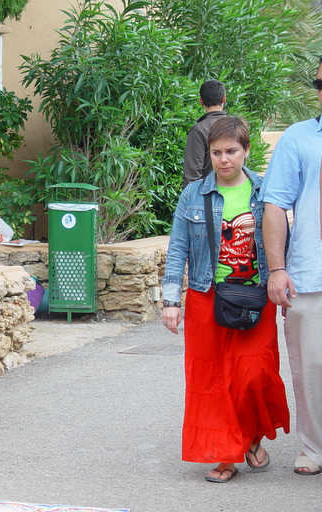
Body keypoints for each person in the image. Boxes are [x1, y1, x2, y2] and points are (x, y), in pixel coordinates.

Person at [162, 117, 290, 483]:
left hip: (255, 298)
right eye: (216, 152)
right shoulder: (194, 194)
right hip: (207, 298)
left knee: (253, 375)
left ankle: (249, 438)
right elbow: (178, 249)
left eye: (231, 151)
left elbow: (284, 242)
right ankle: (226, 455)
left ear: (246, 150)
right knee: (213, 381)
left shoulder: (266, 192)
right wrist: (172, 300)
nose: (224, 159)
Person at [260, 57, 322, 476]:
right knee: (311, 366)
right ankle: (315, 446)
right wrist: (277, 269)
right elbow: (275, 204)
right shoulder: (298, 139)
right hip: (311, 274)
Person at [182, 79, 227, 188]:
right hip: (235, 195)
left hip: (207, 198)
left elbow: (192, 175)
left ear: (201, 101)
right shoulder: (237, 127)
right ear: (224, 98)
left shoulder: (198, 130)